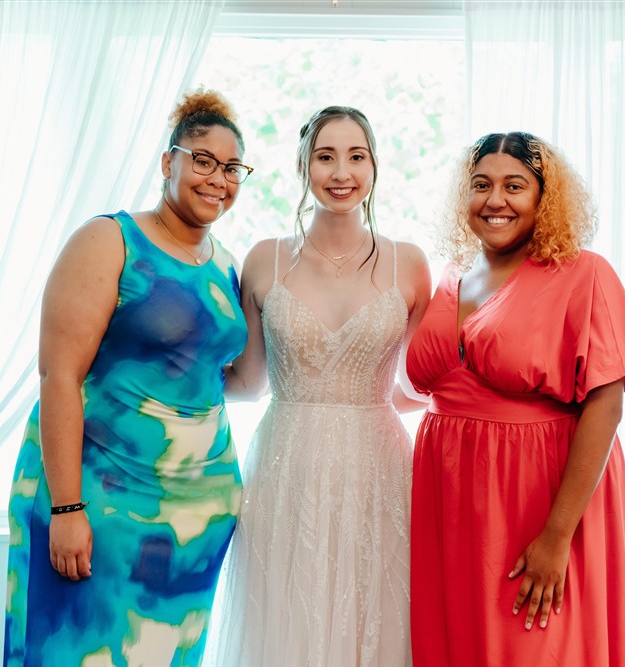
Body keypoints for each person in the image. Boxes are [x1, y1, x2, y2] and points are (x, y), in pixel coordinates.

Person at [3, 89, 254, 667]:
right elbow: (59, 375)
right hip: (102, 505)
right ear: (169, 162)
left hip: (193, 524)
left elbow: (220, 379)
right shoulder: (110, 240)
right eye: (203, 160)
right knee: (78, 653)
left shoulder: (224, 263)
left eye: (232, 167)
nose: (218, 178)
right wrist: (68, 509)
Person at [407, 132, 625, 666]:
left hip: (536, 498)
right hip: (450, 500)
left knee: (537, 646)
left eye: (514, 186)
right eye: (481, 185)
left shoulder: (583, 273)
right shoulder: (452, 274)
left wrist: (556, 536)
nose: (495, 200)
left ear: (545, 199)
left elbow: (606, 407)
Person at [210, 106, 432, 667]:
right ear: (304, 166)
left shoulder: (410, 265)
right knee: (286, 620)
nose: (341, 172)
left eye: (356, 156)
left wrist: (369, 408)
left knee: (376, 614)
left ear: (375, 165)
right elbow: (249, 382)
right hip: (288, 465)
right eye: (325, 156)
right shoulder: (266, 259)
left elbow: (423, 384)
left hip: (379, 468)